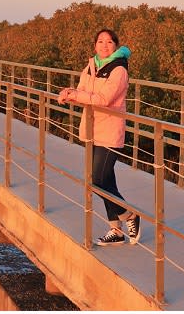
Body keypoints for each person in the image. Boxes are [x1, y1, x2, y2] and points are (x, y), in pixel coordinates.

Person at [57, 28, 141, 246]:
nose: (105, 45)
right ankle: (116, 230)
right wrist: (69, 94)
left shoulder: (119, 69)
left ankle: (129, 215)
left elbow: (104, 99)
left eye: (110, 42)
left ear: (116, 46)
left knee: (98, 180)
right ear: (95, 45)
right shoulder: (92, 65)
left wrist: (77, 95)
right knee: (105, 179)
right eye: (100, 41)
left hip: (110, 131)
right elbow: (82, 90)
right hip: (93, 130)